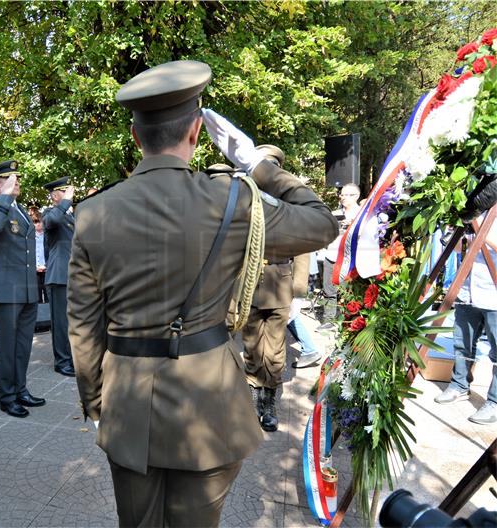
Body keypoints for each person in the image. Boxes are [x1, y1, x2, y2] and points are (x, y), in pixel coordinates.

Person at [68, 60, 337, 527]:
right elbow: (321, 223)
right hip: (208, 400)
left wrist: (96, 403)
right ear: (197, 132)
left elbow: (84, 327)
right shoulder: (233, 201)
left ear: (136, 137)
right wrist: (258, 164)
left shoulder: (93, 212)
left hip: (128, 402)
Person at [241, 147, 319, 432]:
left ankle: (268, 402)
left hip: (279, 283)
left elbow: (303, 247)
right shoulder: (244, 199)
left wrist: (297, 287)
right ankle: (254, 397)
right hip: (249, 284)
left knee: (274, 349)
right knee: (251, 345)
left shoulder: (290, 204)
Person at [0, 160, 46, 418]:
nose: (17, 183)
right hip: (5, 291)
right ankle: (7, 397)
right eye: (11, 179)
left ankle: (21, 389)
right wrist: (4, 196)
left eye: (17, 179)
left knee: (23, 345)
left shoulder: (21, 211)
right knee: (7, 347)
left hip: (26, 290)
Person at [434, 216, 497, 424]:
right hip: (469, 287)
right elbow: (458, 251)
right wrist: (457, 231)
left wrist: (482, 231)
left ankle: (494, 402)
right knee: (462, 342)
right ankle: (459, 384)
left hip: (494, 290)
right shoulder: (475, 211)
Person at [42, 177, 76, 377]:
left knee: (72, 321)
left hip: (73, 275)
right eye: (65, 191)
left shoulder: (70, 216)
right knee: (61, 322)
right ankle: (62, 361)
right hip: (59, 274)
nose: (70, 194)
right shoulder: (50, 213)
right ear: (55, 196)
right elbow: (51, 221)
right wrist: (65, 203)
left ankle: (72, 357)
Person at [320, 183, 361, 325]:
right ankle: (328, 320)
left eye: (346, 195)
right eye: (341, 194)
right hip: (331, 256)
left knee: (348, 293)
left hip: (350, 260)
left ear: (356, 196)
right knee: (328, 290)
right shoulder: (334, 214)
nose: (342, 197)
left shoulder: (361, 214)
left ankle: (349, 322)